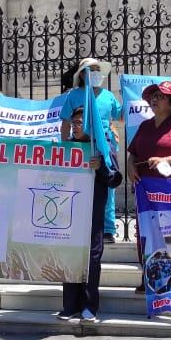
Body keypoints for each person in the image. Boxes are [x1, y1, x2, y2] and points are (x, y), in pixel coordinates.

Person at [127, 81, 171, 293]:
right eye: (153, 97)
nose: (155, 100)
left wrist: (164, 158)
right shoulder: (145, 126)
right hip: (145, 188)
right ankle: (147, 276)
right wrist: (130, 168)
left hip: (170, 190)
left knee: (170, 233)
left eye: (160, 97)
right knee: (145, 232)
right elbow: (133, 154)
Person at [59, 108, 117, 322]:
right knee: (69, 257)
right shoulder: (67, 148)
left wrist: (100, 168)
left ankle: (89, 307)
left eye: (79, 123)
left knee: (92, 258)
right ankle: (70, 305)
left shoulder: (102, 148)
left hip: (92, 214)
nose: (74, 126)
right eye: (73, 122)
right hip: (69, 213)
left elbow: (115, 179)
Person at [58, 58, 123, 242]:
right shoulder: (73, 95)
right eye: (90, 70)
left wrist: (130, 97)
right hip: (79, 147)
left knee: (107, 187)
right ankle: (78, 223)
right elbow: (65, 122)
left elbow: (121, 116)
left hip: (105, 147)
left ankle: (108, 229)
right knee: (77, 185)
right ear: (83, 75)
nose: (95, 73)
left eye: (97, 70)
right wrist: (65, 146)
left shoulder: (108, 95)